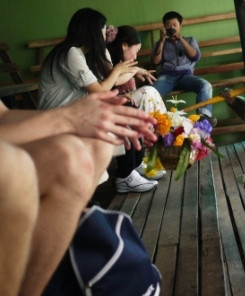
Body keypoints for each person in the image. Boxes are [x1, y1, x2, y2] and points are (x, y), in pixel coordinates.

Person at [0, 90, 157, 296]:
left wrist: (97, 116)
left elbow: (3, 117)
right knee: (55, 162)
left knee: (97, 144)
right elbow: (97, 85)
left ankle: (43, 275)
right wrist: (65, 118)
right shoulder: (70, 56)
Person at [38, 7, 157, 193]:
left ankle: (133, 166)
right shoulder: (71, 53)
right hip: (58, 117)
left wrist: (120, 89)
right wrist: (117, 71)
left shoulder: (77, 53)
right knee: (120, 112)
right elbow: (99, 92)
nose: (105, 35)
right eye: (102, 31)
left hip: (73, 110)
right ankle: (125, 175)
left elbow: (99, 88)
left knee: (126, 105)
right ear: (93, 31)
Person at [106, 24, 167, 180]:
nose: (135, 56)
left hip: (119, 104)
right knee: (148, 92)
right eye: (136, 51)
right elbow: (111, 83)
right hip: (107, 106)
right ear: (124, 45)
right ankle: (146, 155)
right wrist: (136, 70)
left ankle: (148, 155)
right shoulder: (108, 58)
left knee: (149, 92)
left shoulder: (123, 62)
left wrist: (136, 70)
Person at [150, 10, 217, 127]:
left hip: (186, 76)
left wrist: (180, 39)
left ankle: (203, 119)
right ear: (164, 27)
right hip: (166, 77)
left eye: (174, 25)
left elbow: (195, 57)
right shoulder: (160, 43)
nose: (172, 28)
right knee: (151, 93)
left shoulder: (190, 40)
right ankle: (154, 124)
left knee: (206, 85)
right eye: (168, 26)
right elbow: (156, 62)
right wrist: (161, 40)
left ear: (181, 26)